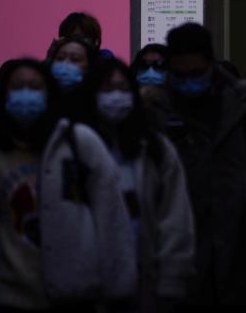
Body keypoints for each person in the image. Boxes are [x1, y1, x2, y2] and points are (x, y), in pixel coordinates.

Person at [0, 59, 136, 312]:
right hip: (9, 295)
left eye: (34, 86)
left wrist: (117, 289)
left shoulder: (78, 141)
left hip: (74, 295)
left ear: (49, 93)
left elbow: (111, 216)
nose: (26, 94)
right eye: (18, 87)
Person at [164, 23, 246, 309]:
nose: (188, 81)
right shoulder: (158, 107)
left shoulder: (243, 102)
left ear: (209, 63)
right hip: (175, 234)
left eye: (195, 73)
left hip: (237, 231)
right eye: (180, 74)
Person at [81, 58, 196, 312]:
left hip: (145, 279)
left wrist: (172, 278)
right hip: (87, 284)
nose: (115, 97)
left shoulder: (155, 148)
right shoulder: (73, 146)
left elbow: (175, 217)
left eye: (122, 89)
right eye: (107, 89)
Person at [130, 43, 173, 130]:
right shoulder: (128, 104)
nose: (151, 71)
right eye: (144, 64)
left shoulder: (179, 106)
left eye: (160, 65)